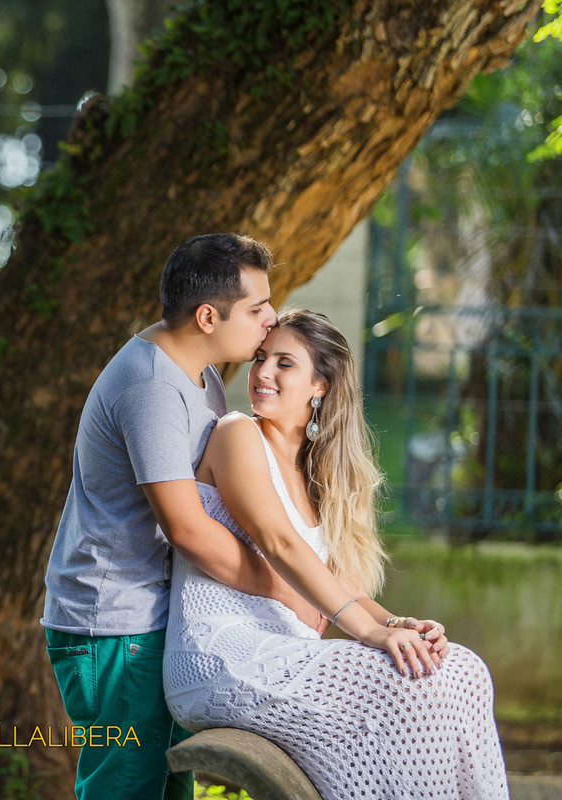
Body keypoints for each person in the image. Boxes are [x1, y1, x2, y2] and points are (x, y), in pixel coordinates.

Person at [163, 308, 507, 799]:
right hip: (221, 652)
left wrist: (395, 625)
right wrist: (365, 631)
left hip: (289, 653)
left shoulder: (319, 472)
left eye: (285, 364)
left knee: (464, 672)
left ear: (320, 385)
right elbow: (278, 543)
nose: (263, 372)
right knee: (415, 686)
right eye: (262, 358)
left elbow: (341, 586)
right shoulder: (236, 433)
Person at [42, 233, 330, 800]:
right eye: (256, 308)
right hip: (115, 625)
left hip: (153, 620)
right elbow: (190, 530)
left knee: (169, 785)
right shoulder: (151, 388)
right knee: (125, 788)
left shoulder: (201, 380)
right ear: (206, 316)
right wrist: (288, 593)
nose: (270, 318)